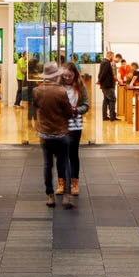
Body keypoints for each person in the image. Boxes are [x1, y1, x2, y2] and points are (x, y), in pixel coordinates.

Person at [33, 62, 77, 208]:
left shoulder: (37, 91)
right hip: (61, 134)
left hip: (45, 134)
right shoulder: (61, 92)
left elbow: (36, 107)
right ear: (56, 76)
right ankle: (66, 195)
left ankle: (50, 196)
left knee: (47, 165)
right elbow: (69, 113)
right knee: (64, 163)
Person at [62, 62, 89, 196]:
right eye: (65, 76)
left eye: (70, 76)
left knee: (73, 154)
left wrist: (76, 110)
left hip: (75, 124)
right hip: (60, 124)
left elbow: (86, 105)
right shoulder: (58, 86)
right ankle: (61, 183)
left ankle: (74, 183)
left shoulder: (80, 86)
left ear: (75, 74)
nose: (67, 78)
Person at [98, 50, 117, 121]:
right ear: (110, 55)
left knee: (105, 100)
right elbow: (103, 74)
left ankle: (105, 116)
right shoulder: (107, 63)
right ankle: (112, 117)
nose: (113, 57)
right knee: (112, 100)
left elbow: (100, 73)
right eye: (113, 56)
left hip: (104, 85)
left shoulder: (103, 62)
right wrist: (100, 81)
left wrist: (99, 81)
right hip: (108, 85)